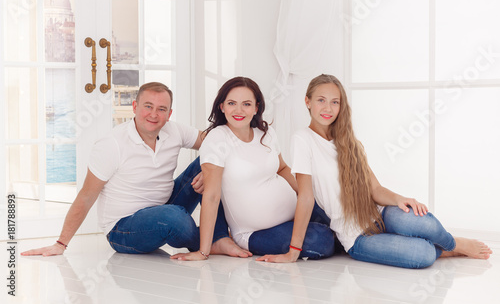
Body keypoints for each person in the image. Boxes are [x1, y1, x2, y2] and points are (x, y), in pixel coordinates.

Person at [258, 74, 492, 268]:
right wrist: (293, 251)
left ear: (341, 106)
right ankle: (446, 250)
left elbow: (375, 189)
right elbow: (306, 197)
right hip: (356, 237)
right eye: (321, 100)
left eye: (335, 102)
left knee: (426, 225)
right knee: (421, 255)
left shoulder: (349, 141)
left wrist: (400, 199)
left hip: (380, 214)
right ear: (307, 102)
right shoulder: (302, 139)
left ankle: (454, 243)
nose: (328, 108)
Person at [22, 82, 249, 258]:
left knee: (207, 161)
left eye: (161, 109)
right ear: (135, 107)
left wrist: (209, 171)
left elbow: (214, 142)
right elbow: (86, 196)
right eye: (148, 107)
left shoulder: (174, 130)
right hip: (124, 228)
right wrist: (61, 243)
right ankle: (208, 242)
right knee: (173, 218)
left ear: (169, 114)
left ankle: (218, 236)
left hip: (163, 206)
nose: (153, 114)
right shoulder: (111, 144)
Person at [171, 77, 335, 262]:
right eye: (232, 103)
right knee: (321, 242)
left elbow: (281, 168)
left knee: (341, 217)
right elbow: (211, 196)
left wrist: (309, 197)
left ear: (256, 107)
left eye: (246, 104)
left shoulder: (265, 133)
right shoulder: (217, 139)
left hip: (295, 210)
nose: (239, 110)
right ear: (222, 106)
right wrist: (203, 251)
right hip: (256, 232)